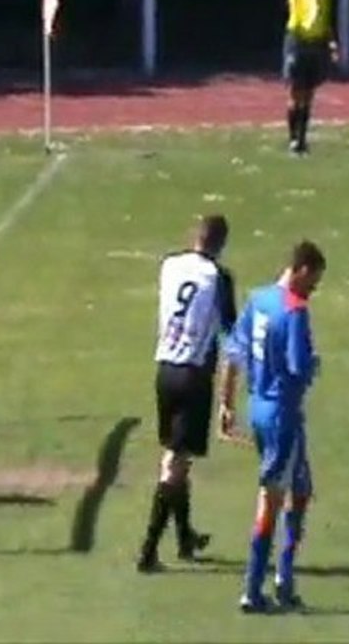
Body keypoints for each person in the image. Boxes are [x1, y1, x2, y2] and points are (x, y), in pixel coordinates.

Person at [219, 240, 326, 612]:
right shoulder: (295, 310)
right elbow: (299, 368)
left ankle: (284, 575)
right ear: (301, 270)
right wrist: (314, 364)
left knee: (301, 489)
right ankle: (253, 588)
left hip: (259, 408)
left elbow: (233, 353)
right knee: (272, 497)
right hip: (283, 414)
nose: (313, 289)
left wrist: (226, 403)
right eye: (313, 281)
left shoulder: (258, 299)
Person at [136, 214, 237, 573]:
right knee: (174, 463)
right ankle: (148, 551)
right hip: (194, 374)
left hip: (165, 369)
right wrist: (228, 398)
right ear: (222, 244)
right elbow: (231, 332)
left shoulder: (170, 265)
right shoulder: (218, 277)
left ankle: (184, 537)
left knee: (178, 454)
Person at [283, 0, 340, 156]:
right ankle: (292, 138)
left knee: (309, 93)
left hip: (317, 41)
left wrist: (331, 41)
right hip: (298, 39)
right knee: (295, 91)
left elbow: (325, 14)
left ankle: (302, 139)